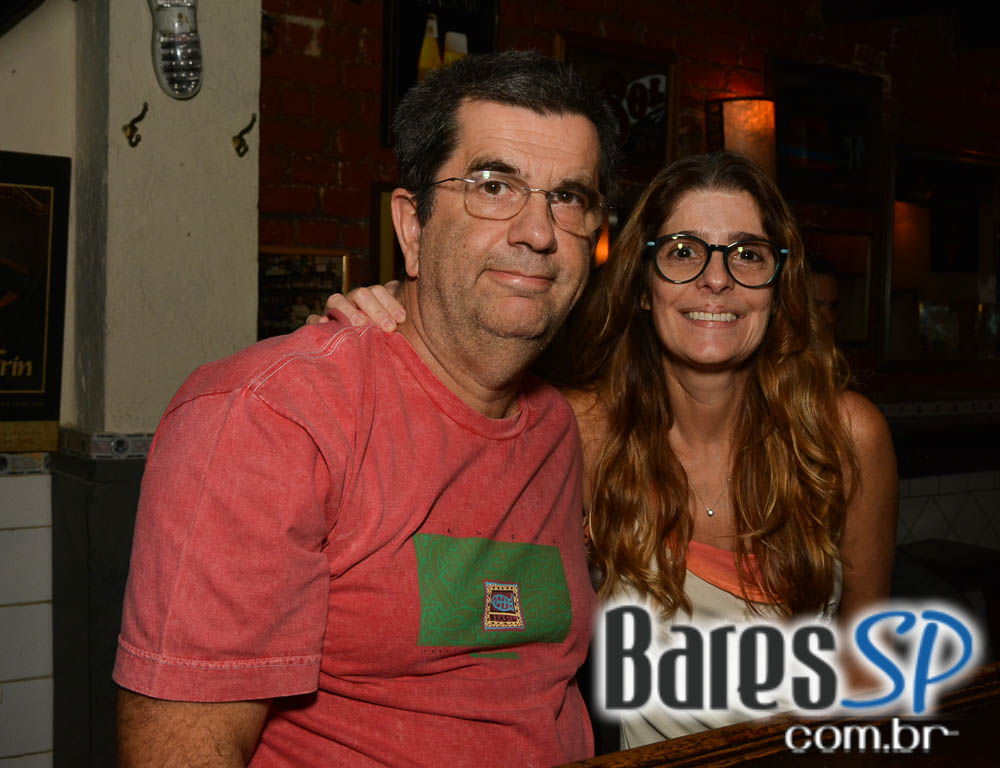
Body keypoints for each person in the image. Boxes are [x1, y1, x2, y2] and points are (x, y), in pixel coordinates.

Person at [113, 50, 620, 767]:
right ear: (412, 227)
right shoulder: (267, 420)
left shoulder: (555, 430)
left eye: (568, 197)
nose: (537, 232)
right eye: (493, 185)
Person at [322, 151, 898, 746]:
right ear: (643, 287)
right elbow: (435, 442)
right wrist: (380, 326)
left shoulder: (844, 437)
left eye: (748, 254)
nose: (717, 278)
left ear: (778, 287)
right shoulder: (583, 432)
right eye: (683, 251)